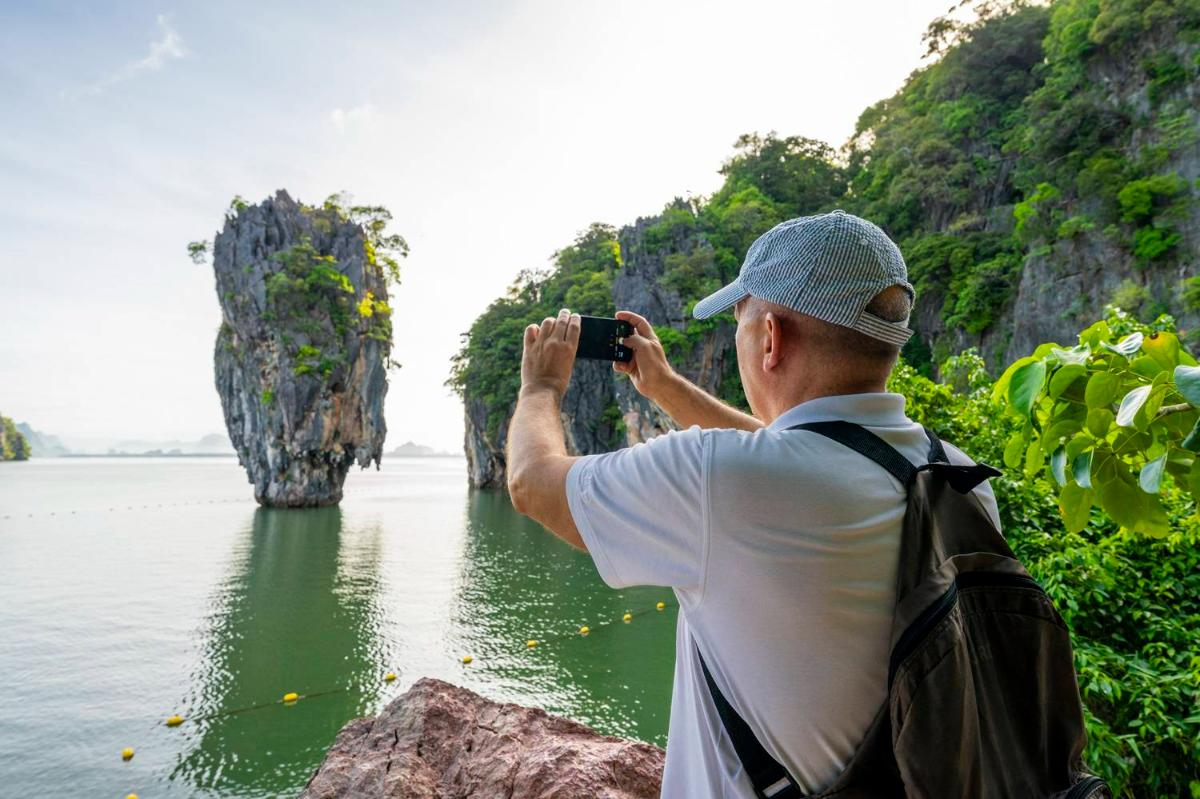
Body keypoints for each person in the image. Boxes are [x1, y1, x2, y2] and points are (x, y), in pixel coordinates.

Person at [505, 210, 1000, 798]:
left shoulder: (716, 478)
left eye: (739, 320)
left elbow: (532, 483)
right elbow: (801, 454)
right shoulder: (958, 474)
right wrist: (663, 386)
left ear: (771, 338)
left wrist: (540, 387)